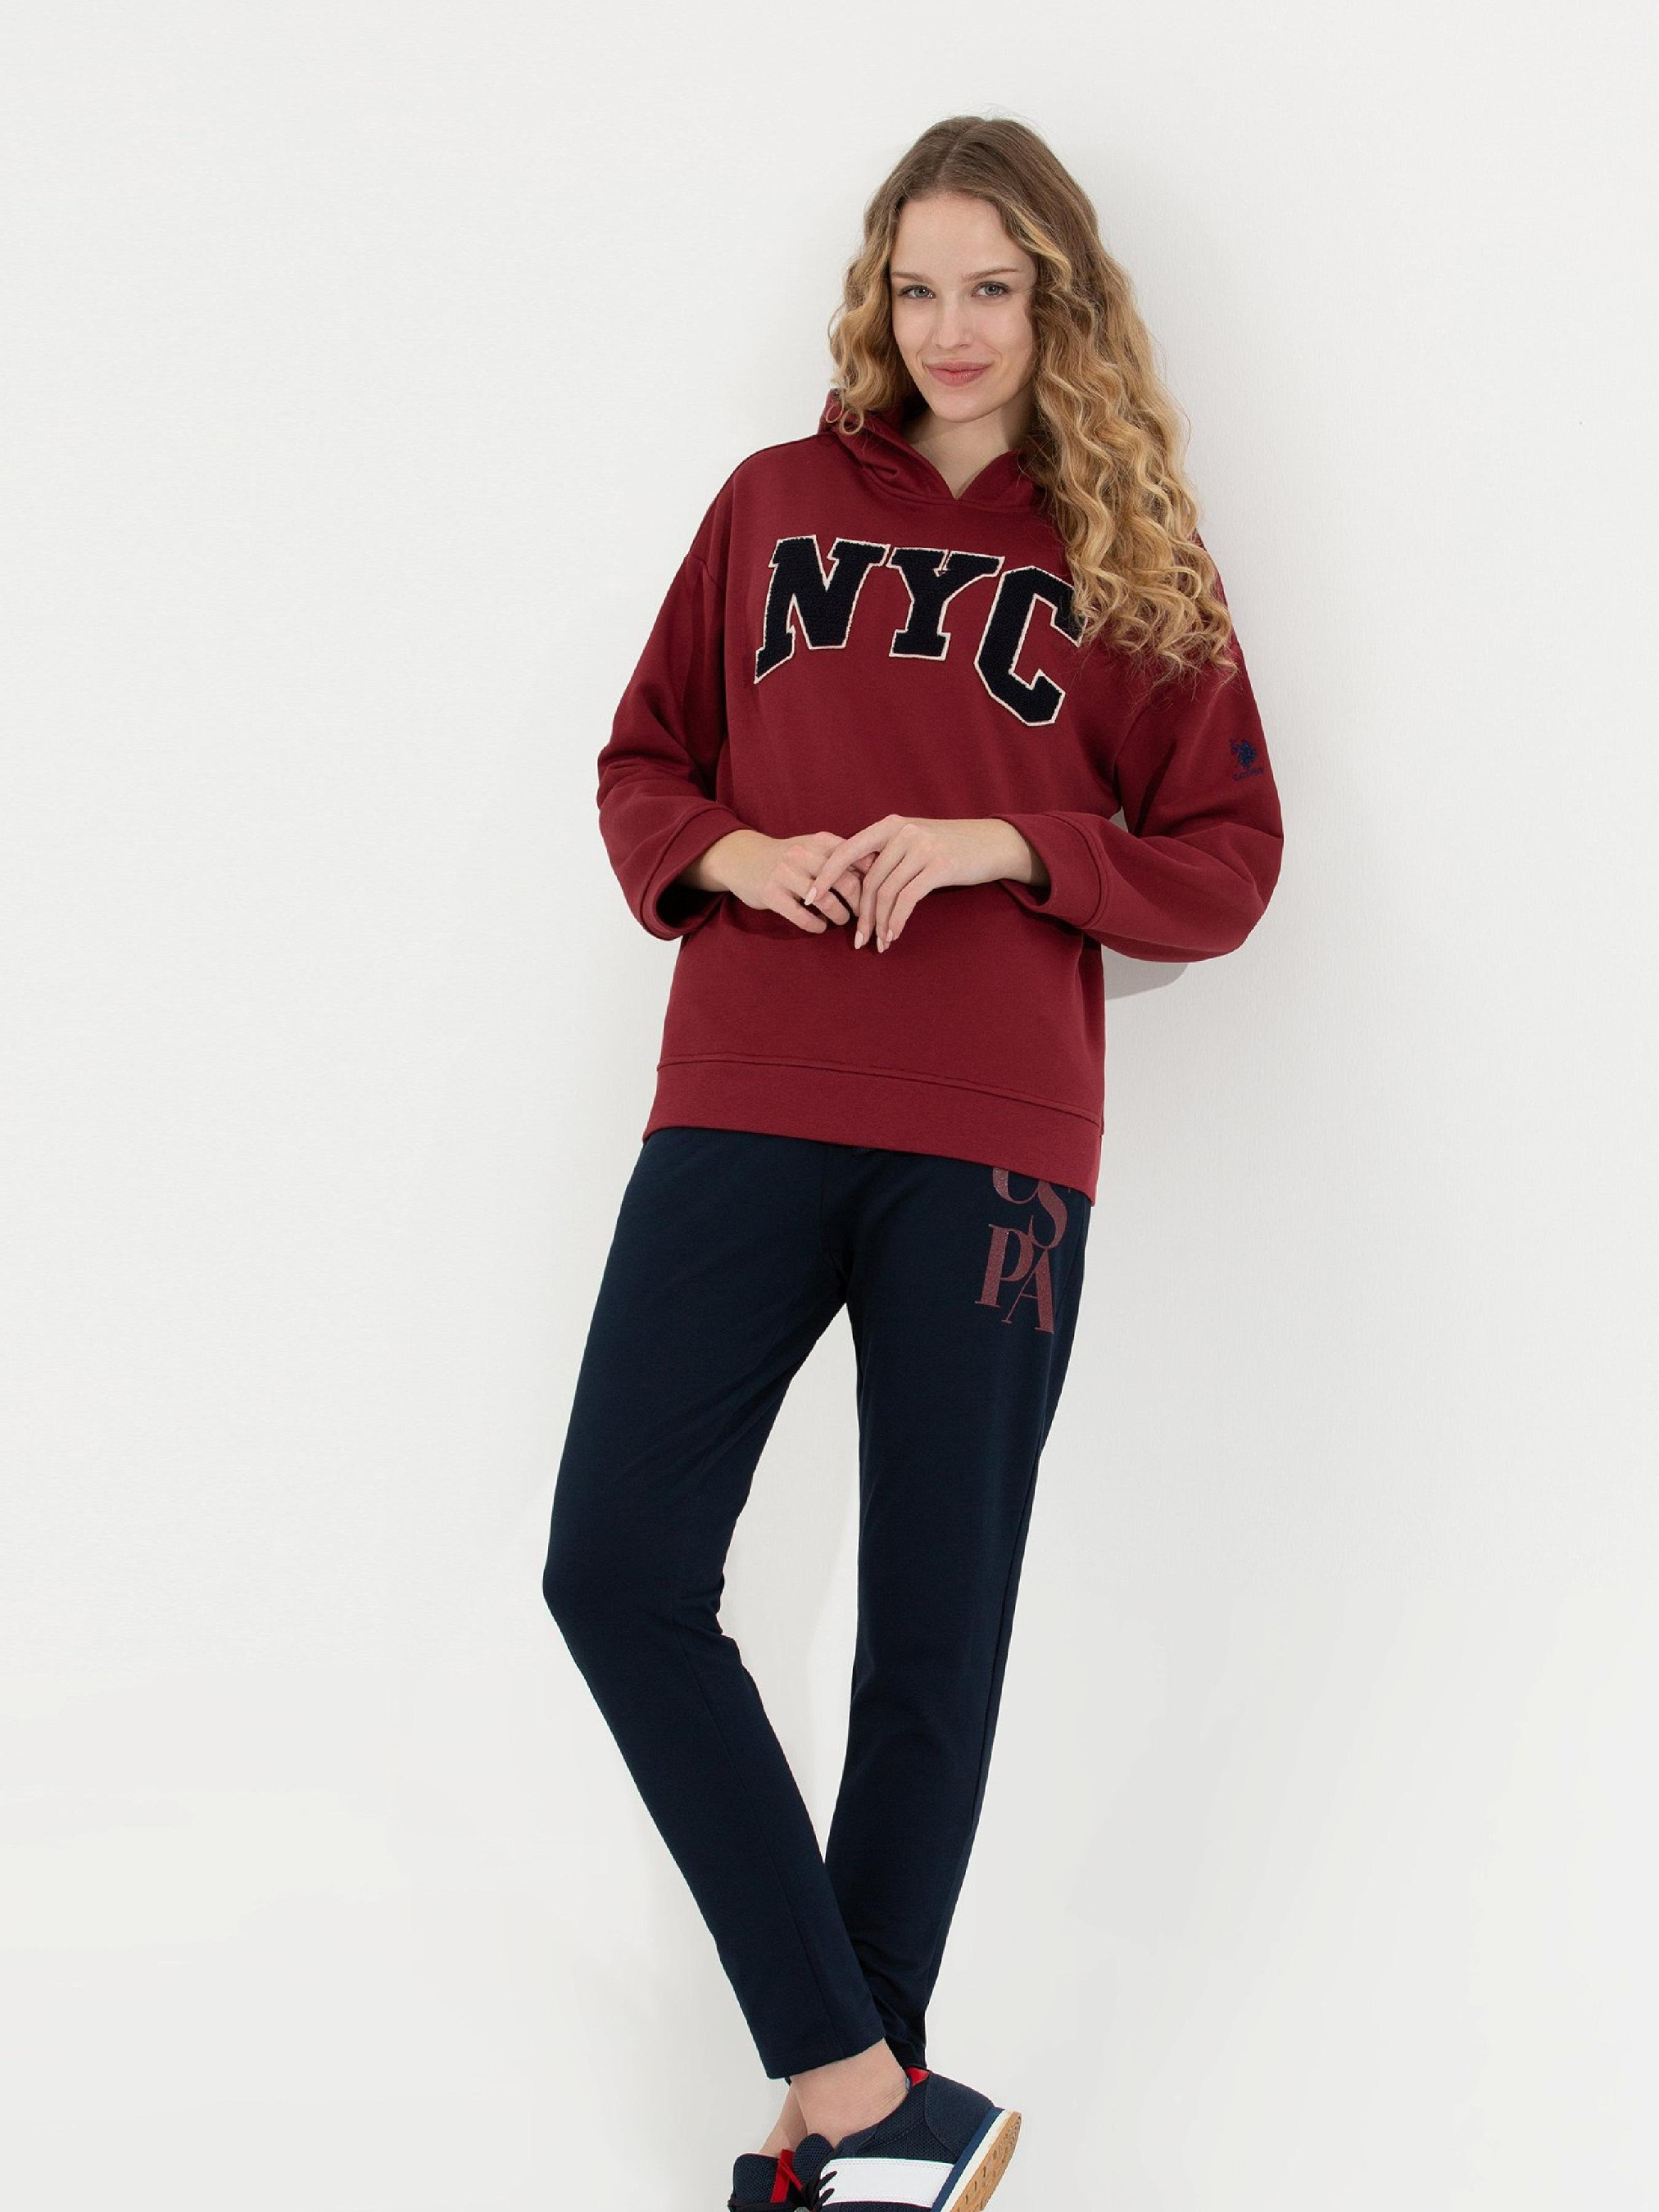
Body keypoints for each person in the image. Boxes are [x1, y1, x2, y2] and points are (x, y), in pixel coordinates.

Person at [543, 113, 1285, 2212]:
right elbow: (641, 760)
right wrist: (726, 853)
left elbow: (1227, 861)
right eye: (918, 285)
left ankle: (839, 2143)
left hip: (991, 1144)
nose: (950, 327)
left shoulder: (1128, 547)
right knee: (613, 1568)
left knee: (928, 1639)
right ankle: (867, 2089)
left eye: (993, 287)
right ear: (875, 296)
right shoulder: (771, 507)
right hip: (743, 1093)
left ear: (1055, 303)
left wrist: (1000, 844)